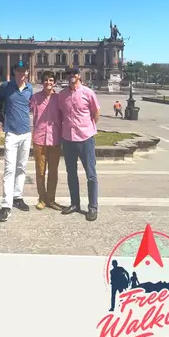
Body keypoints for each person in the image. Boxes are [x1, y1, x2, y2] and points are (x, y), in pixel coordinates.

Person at [0, 60, 33, 222]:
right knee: (9, 169)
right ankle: (6, 205)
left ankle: (17, 196)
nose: (22, 73)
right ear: (14, 71)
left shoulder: (30, 89)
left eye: (24, 71)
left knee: (21, 167)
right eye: (19, 70)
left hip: (26, 133)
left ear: (27, 72)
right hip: (11, 134)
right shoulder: (6, 86)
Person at [58, 65, 101, 221]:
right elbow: (60, 114)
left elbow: (96, 113)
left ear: (79, 75)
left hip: (85, 138)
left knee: (91, 174)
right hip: (68, 139)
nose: (71, 75)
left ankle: (92, 207)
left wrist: (88, 128)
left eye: (74, 73)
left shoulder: (88, 93)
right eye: (68, 73)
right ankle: (75, 203)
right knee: (71, 174)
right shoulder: (62, 95)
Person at [29, 70, 63, 211]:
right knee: (40, 171)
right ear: (42, 82)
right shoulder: (35, 98)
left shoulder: (59, 98)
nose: (48, 82)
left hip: (55, 139)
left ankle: (51, 199)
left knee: (53, 172)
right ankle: (42, 199)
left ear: (54, 83)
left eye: (51, 80)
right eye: (46, 80)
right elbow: (24, 111)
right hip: (39, 139)